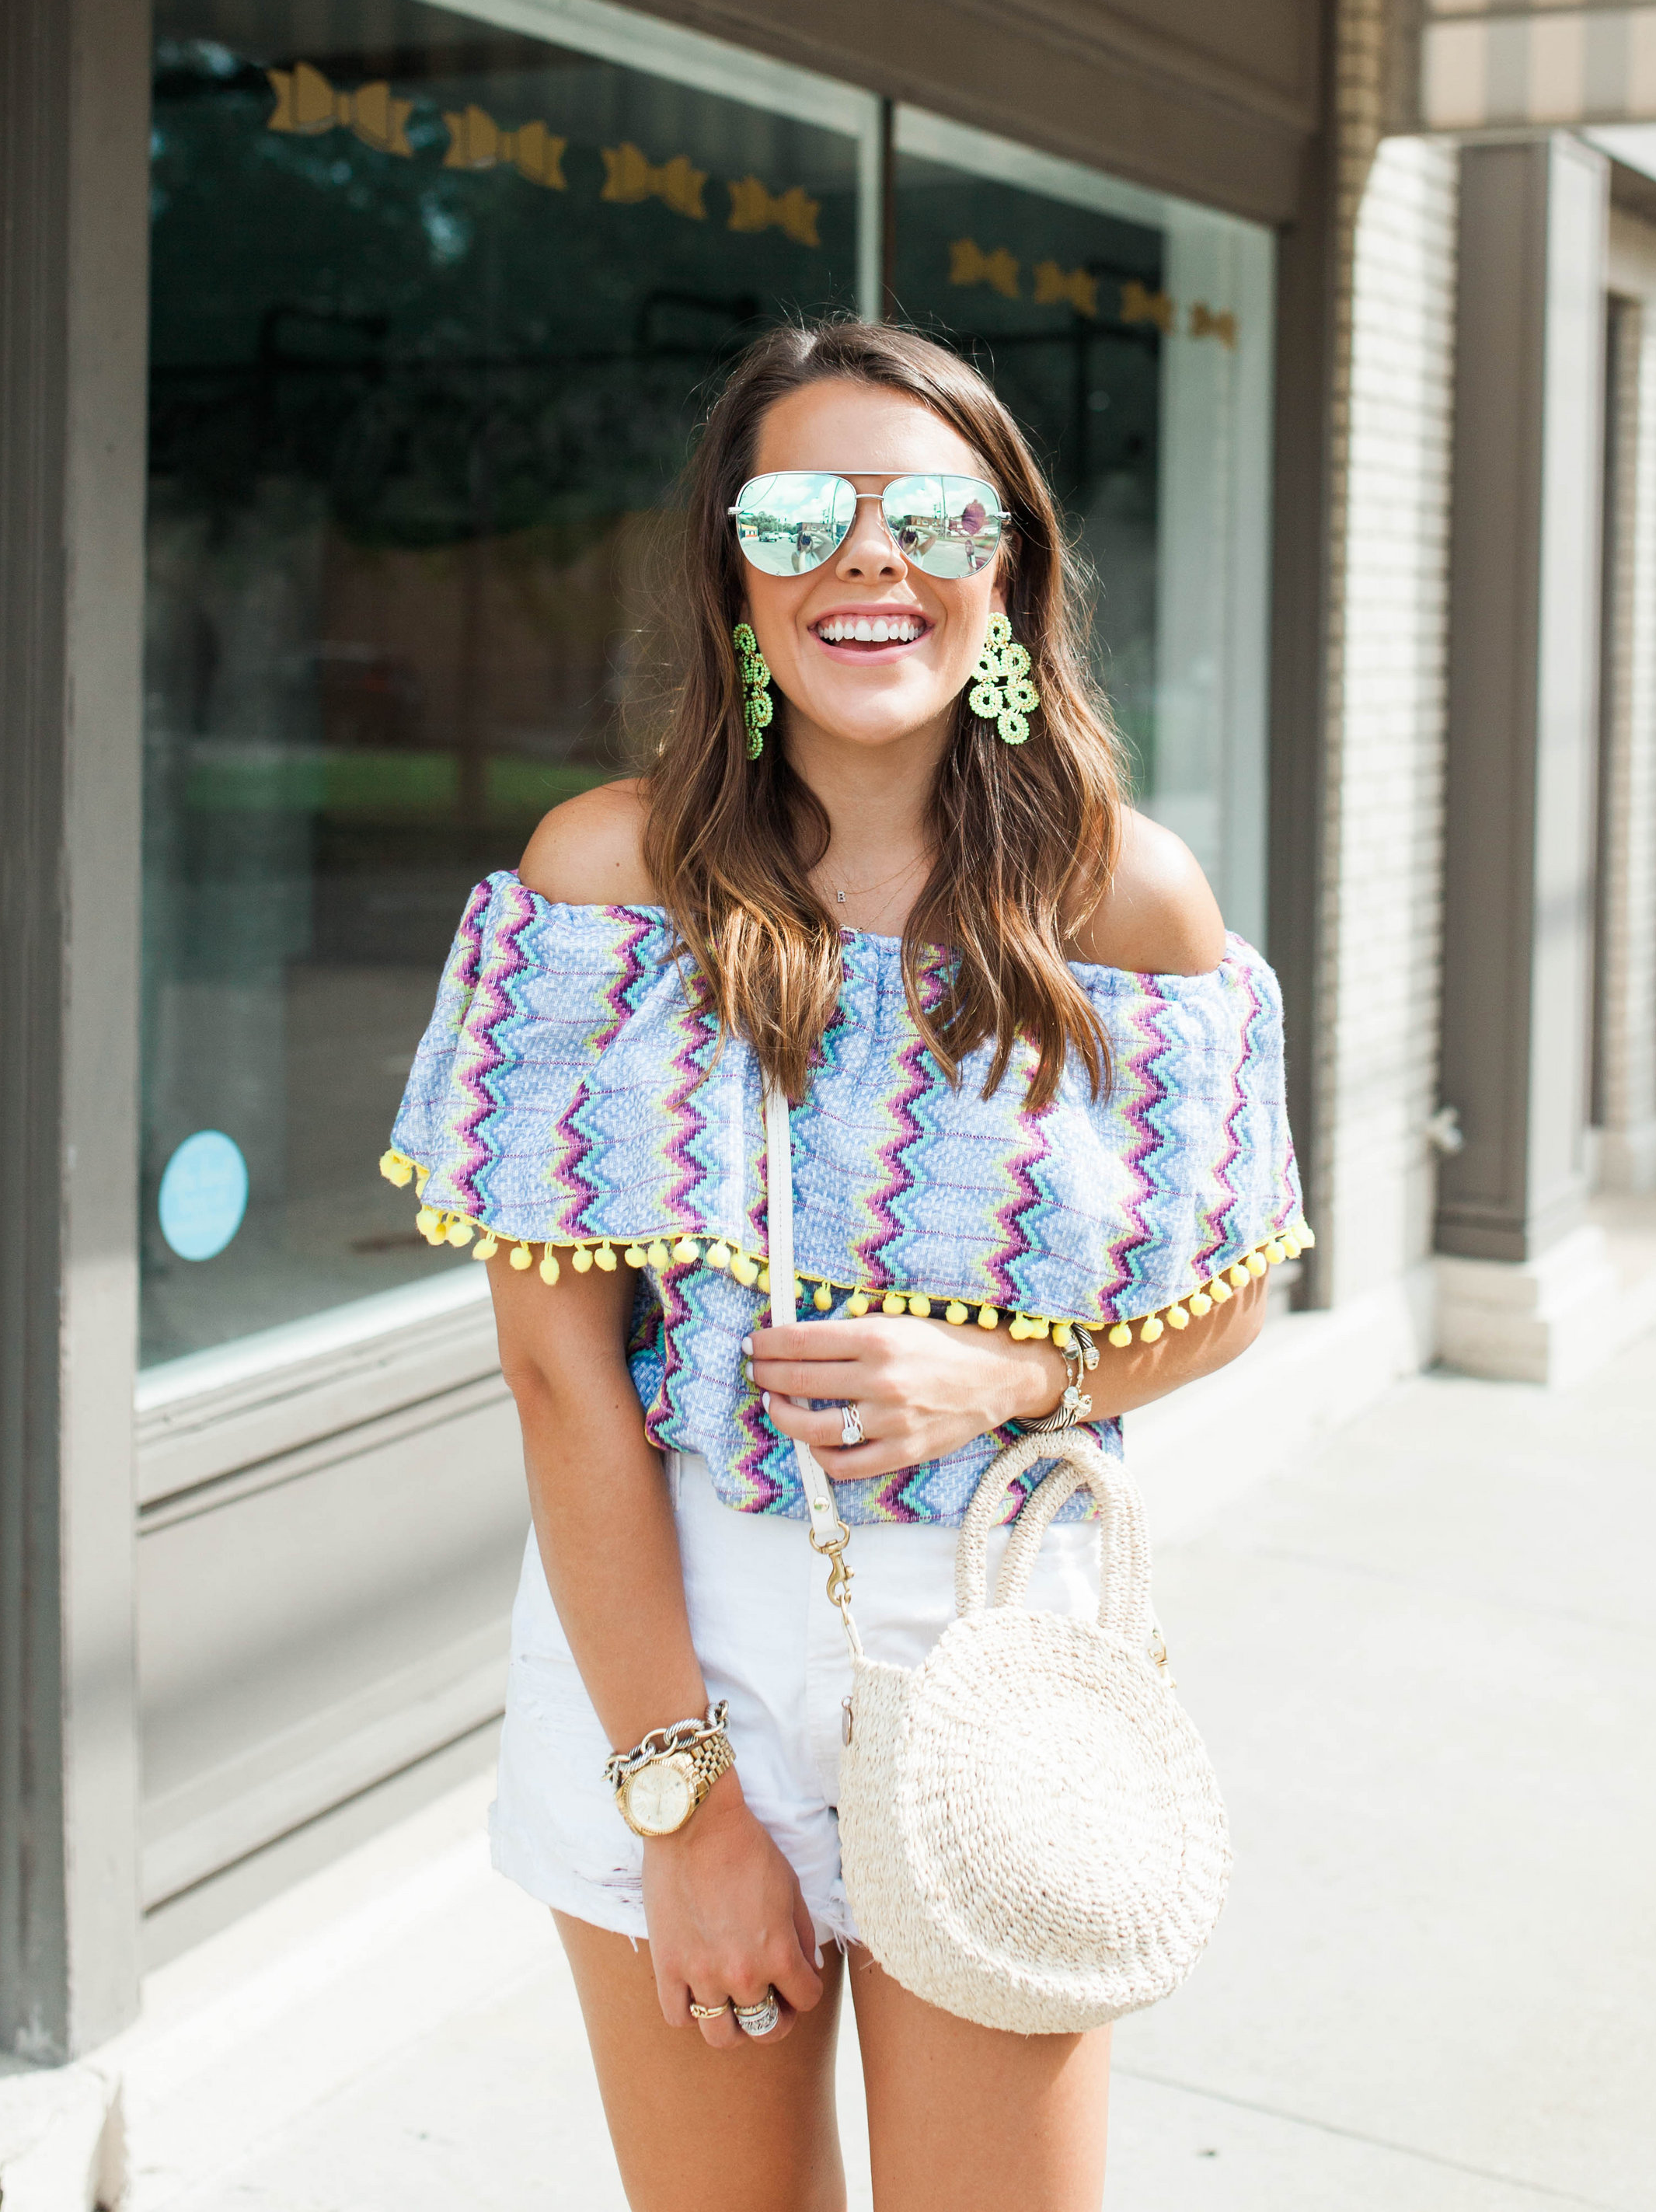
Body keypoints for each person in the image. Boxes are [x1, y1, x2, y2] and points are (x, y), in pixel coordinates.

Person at [381, 319, 1306, 2212]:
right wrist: (682, 1795)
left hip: (996, 1634)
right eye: (799, 512)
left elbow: (1228, 1290)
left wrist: (1013, 1374)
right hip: (674, 1639)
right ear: (734, 576)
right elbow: (559, 1375)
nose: (866, 556)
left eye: (929, 514)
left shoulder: (1128, 901)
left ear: (1006, 570)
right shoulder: (601, 888)